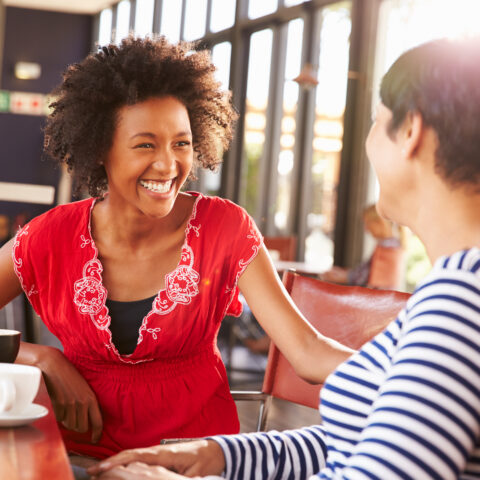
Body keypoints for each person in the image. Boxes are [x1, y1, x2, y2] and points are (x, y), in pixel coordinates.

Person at [88, 36, 480, 479]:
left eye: (375, 121)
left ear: (410, 131)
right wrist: (220, 456)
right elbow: (354, 441)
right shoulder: (455, 293)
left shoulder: (461, 303)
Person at [0, 36, 353, 462]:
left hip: (192, 461)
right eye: (145, 144)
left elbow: (308, 351)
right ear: (99, 151)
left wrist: (419, 375)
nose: (168, 165)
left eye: (181, 143)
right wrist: (39, 357)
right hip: (78, 457)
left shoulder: (226, 227)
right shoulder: (49, 237)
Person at [320, 204, 406, 290]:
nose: (366, 229)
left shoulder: (388, 247)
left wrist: (344, 276)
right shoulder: (392, 245)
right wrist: (345, 274)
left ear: (379, 223)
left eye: (368, 224)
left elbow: (366, 276)